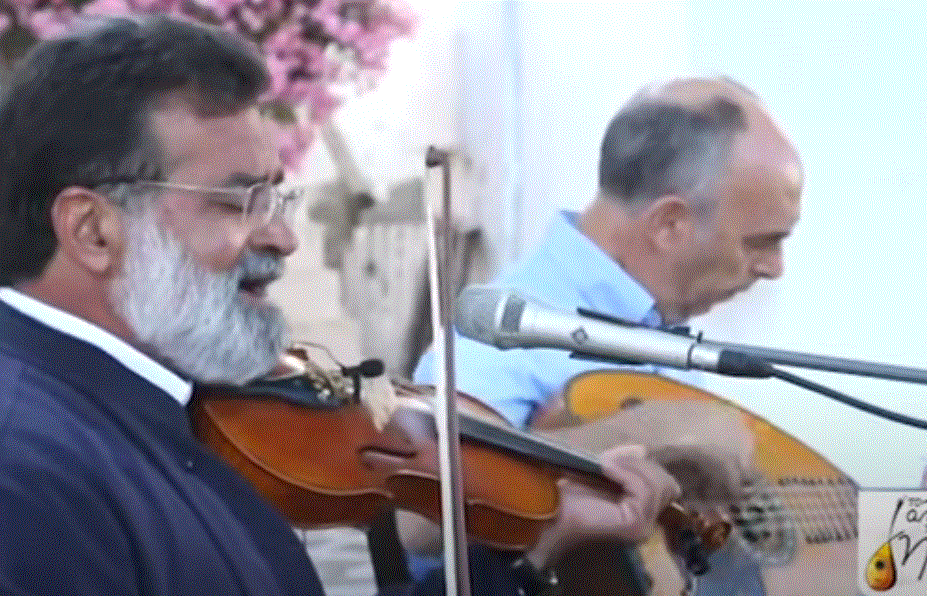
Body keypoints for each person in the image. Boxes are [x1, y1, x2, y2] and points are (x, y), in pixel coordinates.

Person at [0, 15, 679, 596]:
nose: (284, 237)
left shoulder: (162, 404)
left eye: (277, 197)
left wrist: (541, 544)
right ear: (93, 231)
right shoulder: (24, 472)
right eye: (239, 201)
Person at [411, 77, 804, 594]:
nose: (775, 268)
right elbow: (418, 516)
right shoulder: (505, 331)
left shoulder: (657, 318)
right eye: (761, 242)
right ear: (669, 224)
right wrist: (652, 430)